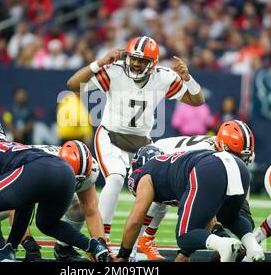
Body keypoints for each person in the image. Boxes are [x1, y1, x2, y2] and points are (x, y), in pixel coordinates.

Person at [67, 35, 205, 260]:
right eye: (134, 58)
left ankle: (143, 240)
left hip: (142, 143)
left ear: (153, 63)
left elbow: (197, 100)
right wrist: (100, 62)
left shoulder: (164, 77)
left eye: (142, 60)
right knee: (115, 178)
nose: (136, 64)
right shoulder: (114, 70)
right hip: (111, 136)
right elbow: (72, 85)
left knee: (161, 187)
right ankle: (102, 241)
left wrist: (188, 78)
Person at [0, 120, 110, 262]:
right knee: (47, 223)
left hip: (36, 169)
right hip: (66, 171)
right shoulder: (17, 147)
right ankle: (94, 247)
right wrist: (12, 247)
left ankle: (2, 254)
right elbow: (24, 207)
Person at [115, 146, 265, 262]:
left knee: (184, 235)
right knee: (229, 217)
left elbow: (135, 221)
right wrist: (185, 252)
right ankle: (252, 246)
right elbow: (206, 216)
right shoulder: (171, 169)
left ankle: (224, 245)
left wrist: (123, 255)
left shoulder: (145, 174)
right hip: (237, 164)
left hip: (209, 169)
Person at [137, 120, 256, 260]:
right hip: (161, 155)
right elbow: (201, 205)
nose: (240, 159)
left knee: (232, 215)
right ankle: (143, 241)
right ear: (222, 146)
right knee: (156, 201)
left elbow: (239, 195)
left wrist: (242, 212)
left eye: (243, 157)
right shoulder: (206, 155)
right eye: (237, 156)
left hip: (189, 167)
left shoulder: (232, 155)